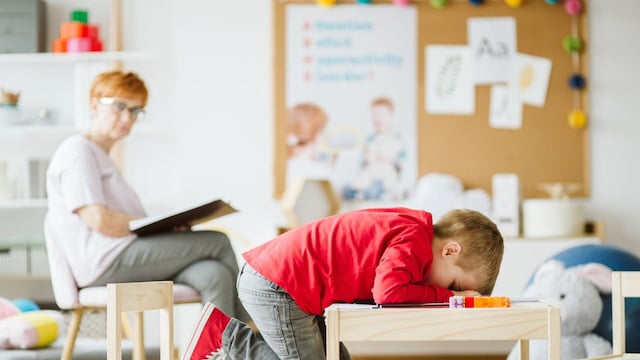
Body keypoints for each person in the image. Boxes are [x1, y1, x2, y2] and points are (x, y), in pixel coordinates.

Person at [44, 70, 250, 322]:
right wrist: (154, 229)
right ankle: (252, 336)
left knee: (214, 274)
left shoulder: (100, 156)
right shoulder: (78, 152)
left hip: (121, 254)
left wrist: (165, 229)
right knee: (217, 241)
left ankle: (220, 353)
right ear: (94, 104)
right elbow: (100, 221)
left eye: (135, 110)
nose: (127, 117)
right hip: (104, 260)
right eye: (120, 106)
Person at [182, 207, 504, 359]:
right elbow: (388, 293)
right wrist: (446, 297)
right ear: (449, 251)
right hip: (278, 286)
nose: (450, 292)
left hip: (289, 286)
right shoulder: (415, 240)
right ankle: (230, 340)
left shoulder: (412, 232)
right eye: (455, 284)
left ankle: (231, 340)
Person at [343, 97, 406, 201]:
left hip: (386, 175)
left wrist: (389, 159)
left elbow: (401, 162)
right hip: (370, 173)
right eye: (374, 115)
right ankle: (360, 191)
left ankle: (383, 193)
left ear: (391, 116)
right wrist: (368, 158)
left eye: (381, 115)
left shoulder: (397, 139)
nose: (377, 119)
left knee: (380, 187)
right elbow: (362, 162)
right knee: (352, 187)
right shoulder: (369, 140)